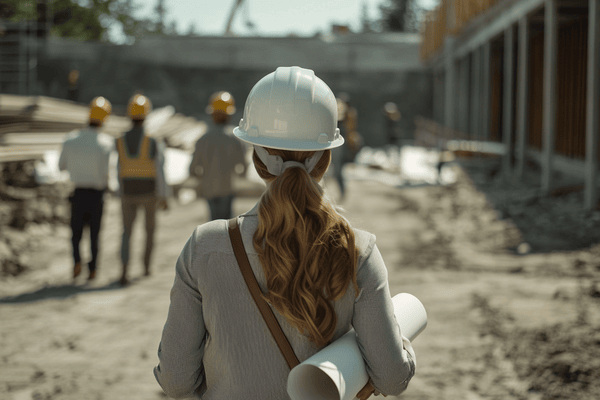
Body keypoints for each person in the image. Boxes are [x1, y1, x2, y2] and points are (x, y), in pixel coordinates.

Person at [154, 67, 416, 399]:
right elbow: (391, 380)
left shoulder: (204, 247)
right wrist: (402, 340)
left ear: (257, 158)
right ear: (325, 159)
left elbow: (176, 381)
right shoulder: (358, 250)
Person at [116, 94, 170, 286]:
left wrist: (119, 191)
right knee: (149, 231)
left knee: (126, 233)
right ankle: (146, 267)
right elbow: (160, 169)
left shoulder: (120, 140)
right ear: (146, 114)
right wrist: (164, 195)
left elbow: (118, 168)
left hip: (127, 192)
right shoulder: (153, 141)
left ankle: (124, 270)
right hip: (148, 193)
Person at [59, 96, 114, 281]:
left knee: (76, 233)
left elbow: (61, 166)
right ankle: (93, 270)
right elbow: (107, 173)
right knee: (94, 235)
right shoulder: (106, 143)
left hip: (78, 193)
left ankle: (76, 262)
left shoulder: (70, 139)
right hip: (96, 195)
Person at [188, 91, 247, 221]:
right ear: (229, 114)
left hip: (209, 188)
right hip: (228, 188)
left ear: (212, 114)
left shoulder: (203, 140)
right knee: (227, 227)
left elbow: (192, 170)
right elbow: (243, 166)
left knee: (213, 225)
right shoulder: (235, 138)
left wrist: (204, 178)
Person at [330, 93, 363, 200]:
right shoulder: (350, 113)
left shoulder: (349, 114)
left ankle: (342, 193)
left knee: (336, 171)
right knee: (335, 171)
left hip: (340, 144)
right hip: (340, 144)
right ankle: (341, 192)